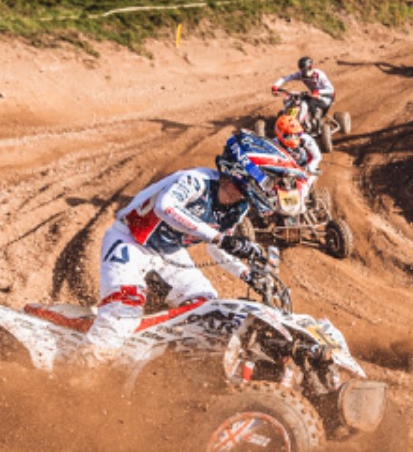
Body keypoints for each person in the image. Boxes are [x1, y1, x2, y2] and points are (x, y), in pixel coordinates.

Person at [83, 133, 283, 352]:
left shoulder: (239, 207)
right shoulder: (196, 180)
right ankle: (86, 364)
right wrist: (220, 237)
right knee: (123, 312)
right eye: (268, 180)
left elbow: (216, 248)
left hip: (170, 253)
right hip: (131, 241)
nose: (270, 188)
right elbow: (165, 207)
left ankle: (164, 357)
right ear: (246, 169)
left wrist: (246, 273)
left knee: (208, 310)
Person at [272, 57, 336, 129]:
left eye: (305, 69)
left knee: (311, 103)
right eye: (302, 70)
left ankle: (315, 123)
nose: (303, 72)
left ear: (310, 67)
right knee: (293, 101)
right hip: (313, 94)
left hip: (327, 96)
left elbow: (330, 89)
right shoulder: (301, 74)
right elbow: (285, 78)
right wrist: (275, 86)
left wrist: (318, 91)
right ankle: (289, 119)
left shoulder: (320, 75)